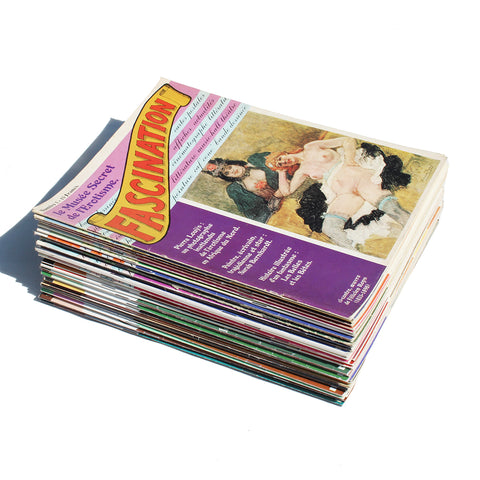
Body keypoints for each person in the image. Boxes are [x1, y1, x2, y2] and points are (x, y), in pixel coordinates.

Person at [267, 137, 411, 249]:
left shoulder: (311, 147)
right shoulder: (302, 171)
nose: (283, 162)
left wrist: (349, 159)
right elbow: (287, 191)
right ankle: (356, 258)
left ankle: (412, 232)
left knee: (392, 209)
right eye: (280, 164)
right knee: (329, 227)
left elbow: (347, 140)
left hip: (357, 177)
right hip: (345, 194)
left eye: (280, 159)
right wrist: (281, 172)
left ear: (283, 153)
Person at [203, 152, 284, 223]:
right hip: (279, 207)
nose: (232, 171)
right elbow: (254, 216)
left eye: (230, 167)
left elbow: (282, 159)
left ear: (236, 164)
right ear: (229, 177)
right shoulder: (236, 189)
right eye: (227, 173)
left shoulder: (255, 160)